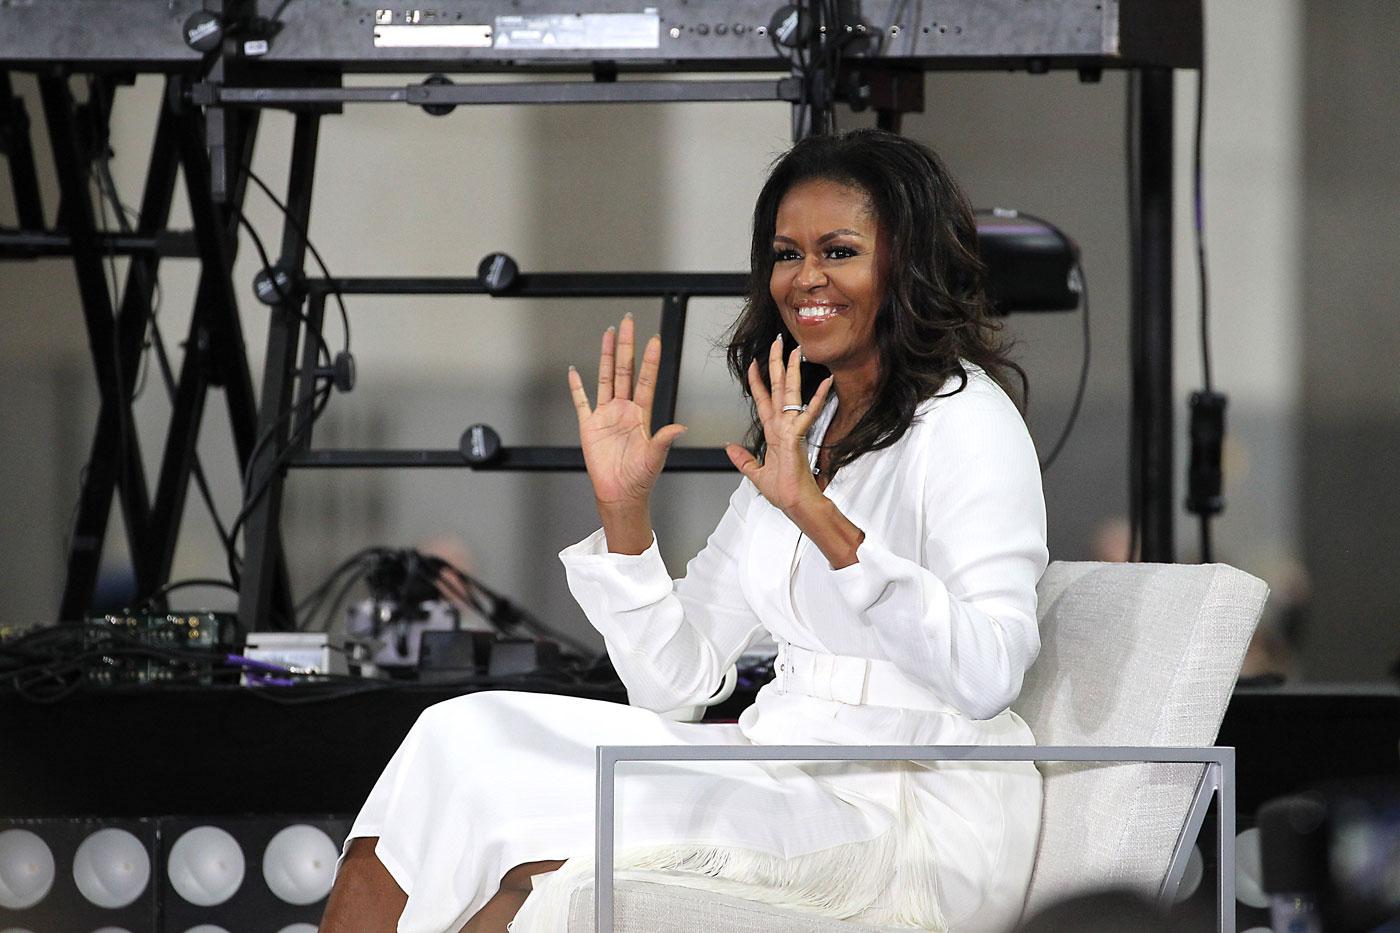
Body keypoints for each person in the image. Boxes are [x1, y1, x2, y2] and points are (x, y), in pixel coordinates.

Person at [321, 129, 1048, 933]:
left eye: (838, 251)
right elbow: (677, 684)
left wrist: (820, 516)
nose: (804, 279)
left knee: (526, 855)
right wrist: (624, 513)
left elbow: (989, 674)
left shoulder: (969, 421)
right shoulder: (803, 426)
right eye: (785, 253)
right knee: (457, 736)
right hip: (778, 766)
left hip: (906, 809)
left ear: (906, 263)